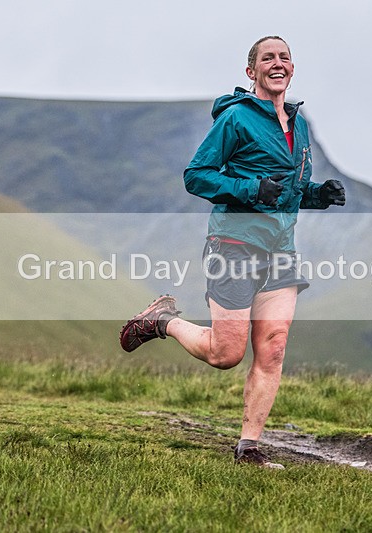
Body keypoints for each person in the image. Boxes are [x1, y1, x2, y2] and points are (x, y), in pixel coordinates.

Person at [119, 36, 345, 469]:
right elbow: (196, 176)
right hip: (235, 244)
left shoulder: (299, 125)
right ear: (252, 72)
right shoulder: (236, 119)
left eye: (284, 57)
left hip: (281, 250)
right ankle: (161, 321)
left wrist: (317, 195)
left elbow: (289, 188)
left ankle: (248, 448)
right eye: (267, 58)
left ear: (292, 68)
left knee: (274, 346)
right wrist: (248, 188)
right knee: (225, 354)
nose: (277, 63)